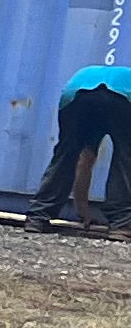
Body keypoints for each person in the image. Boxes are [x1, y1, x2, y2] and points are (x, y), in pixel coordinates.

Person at [30, 60, 131, 228]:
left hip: (77, 92)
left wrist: (82, 209)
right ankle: (121, 224)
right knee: (126, 156)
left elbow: (83, 162)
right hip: (123, 96)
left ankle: (38, 217)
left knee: (66, 153)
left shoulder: (94, 119)